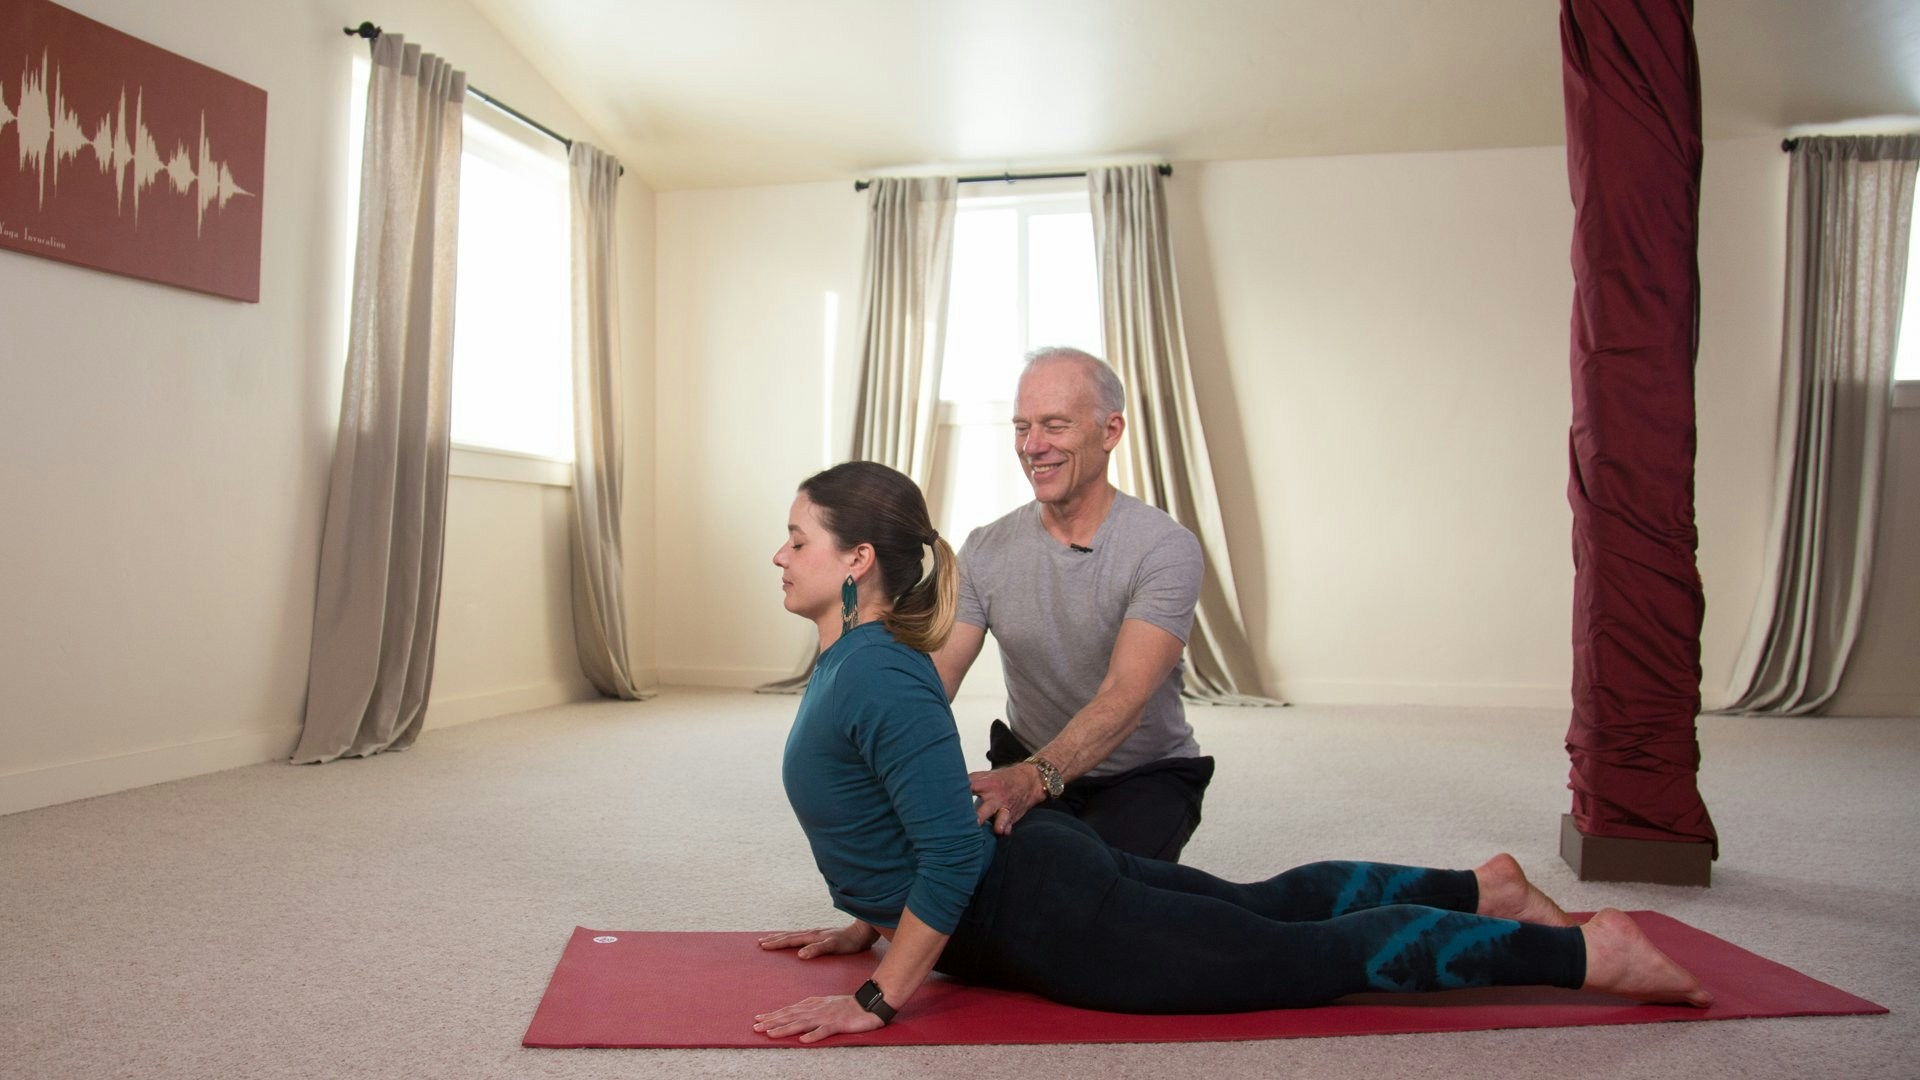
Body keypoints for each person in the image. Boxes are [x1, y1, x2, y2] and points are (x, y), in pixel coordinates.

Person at [754, 461, 1710, 1043]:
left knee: (1303, 959)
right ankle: (1484, 889)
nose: (780, 555)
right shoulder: (852, 663)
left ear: (857, 560)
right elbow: (901, 811)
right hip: (1039, 876)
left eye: (797, 539)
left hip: (1048, 915)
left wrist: (877, 999)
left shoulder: (881, 676)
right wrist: (870, 912)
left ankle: (1587, 957)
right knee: (1265, 908)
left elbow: (951, 852)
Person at [934, 347, 1214, 862]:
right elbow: (936, 679)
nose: (1032, 446)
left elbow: (1125, 696)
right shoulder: (983, 549)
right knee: (997, 885)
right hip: (1027, 756)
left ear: (1111, 431)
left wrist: (1032, 781)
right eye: (1022, 427)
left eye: (1055, 426)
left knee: (1091, 888)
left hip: (1142, 775)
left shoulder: (1164, 548)